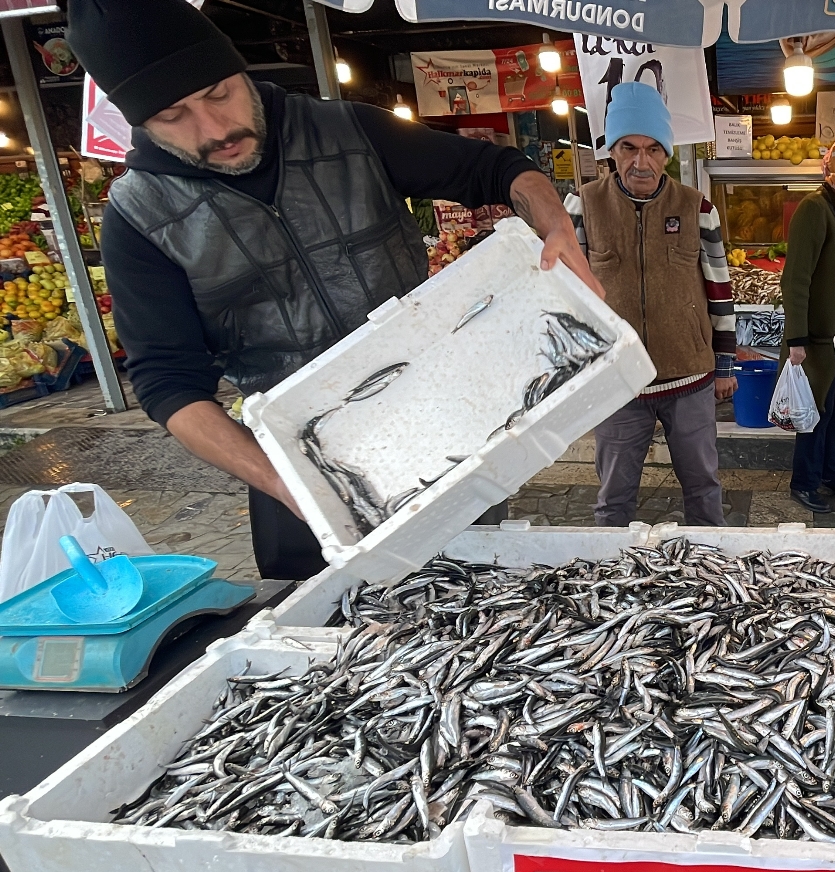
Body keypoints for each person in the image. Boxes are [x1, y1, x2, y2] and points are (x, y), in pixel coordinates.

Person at [68, 0, 599, 580]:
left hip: (441, 429)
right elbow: (168, 384)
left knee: (479, 594)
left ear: (242, 72)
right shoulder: (138, 218)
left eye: (219, 93)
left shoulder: (349, 129)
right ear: (138, 123)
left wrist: (553, 221)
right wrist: (292, 484)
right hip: (299, 461)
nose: (215, 129)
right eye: (174, 115)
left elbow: (495, 169)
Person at [564, 83, 737, 527]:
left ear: (667, 153)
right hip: (617, 382)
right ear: (611, 151)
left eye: (653, 149)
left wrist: (724, 365)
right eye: (629, 147)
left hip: (690, 376)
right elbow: (566, 298)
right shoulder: (582, 205)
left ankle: (711, 575)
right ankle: (611, 582)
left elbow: (719, 288)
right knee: (613, 498)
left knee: (703, 488)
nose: (641, 161)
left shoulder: (698, 208)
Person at [783, 133, 835, 514]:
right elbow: (796, 277)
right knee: (815, 412)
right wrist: (796, 338)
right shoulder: (814, 208)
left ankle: (831, 474)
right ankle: (804, 482)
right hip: (818, 339)